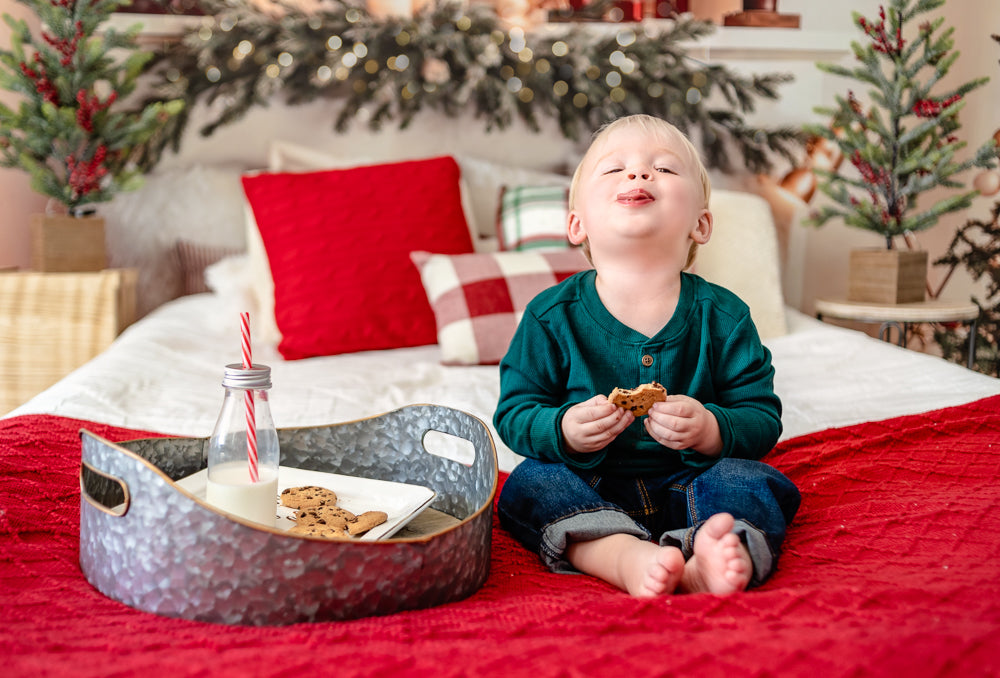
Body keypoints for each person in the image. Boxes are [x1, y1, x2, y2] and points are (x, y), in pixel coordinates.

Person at [493, 114, 801, 597]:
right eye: (615, 170)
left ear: (701, 223)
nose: (638, 175)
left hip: (697, 481)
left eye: (665, 169)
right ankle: (622, 557)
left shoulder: (725, 315)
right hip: (588, 486)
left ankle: (716, 556)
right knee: (530, 482)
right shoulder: (550, 316)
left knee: (751, 478)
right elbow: (514, 414)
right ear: (577, 224)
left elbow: (762, 417)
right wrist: (565, 430)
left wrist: (712, 428)